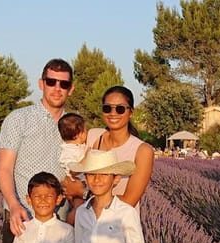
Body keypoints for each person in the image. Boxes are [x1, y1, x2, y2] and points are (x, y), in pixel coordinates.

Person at [0, 58, 75, 243]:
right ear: (41, 83)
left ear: (71, 89)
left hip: (59, 218)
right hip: (21, 214)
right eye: (51, 81)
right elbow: (4, 168)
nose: (57, 88)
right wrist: (13, 205)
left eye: (63, 84)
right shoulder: (18, 119)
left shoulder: (74, 123)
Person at [63, 86, 155, 225]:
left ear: (131, 112)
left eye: (120, 109)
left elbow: (129, 201)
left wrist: (82, 193)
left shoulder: (142, 150)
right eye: (107, 108)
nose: (113, 113)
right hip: (87, 223)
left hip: (118, 227)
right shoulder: (94, 136)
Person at [58, 113, 88, 179]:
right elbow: (73, 171)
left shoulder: (80, 146)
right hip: (76, 185)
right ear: (79, 134)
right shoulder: (68, 152)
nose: (87, 132)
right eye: (86, 130)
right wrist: (87, 157)